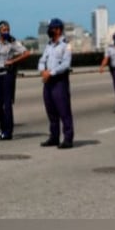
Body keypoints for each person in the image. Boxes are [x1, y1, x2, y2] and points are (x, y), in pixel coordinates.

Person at [0, 20, 31, 141]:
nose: (6, 32)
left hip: (7, 74)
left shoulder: (12, 42)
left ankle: (8, 132)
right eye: (4, 30)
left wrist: (13, 61)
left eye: (7, 30)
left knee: (7, 104)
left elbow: (26, 53)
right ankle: (3, 128)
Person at [38, 18, 74, 149]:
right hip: (48, 82)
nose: (50, 31)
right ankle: (54, 137)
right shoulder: (49, 45)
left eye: (52, 28)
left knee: (64, 111)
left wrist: (51, 72)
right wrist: (42, 71)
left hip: (59, 81)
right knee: (51, 111)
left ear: (58, 30)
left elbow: (66, 64)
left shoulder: (66, 45)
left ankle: (68, 138)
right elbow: (42, 60)